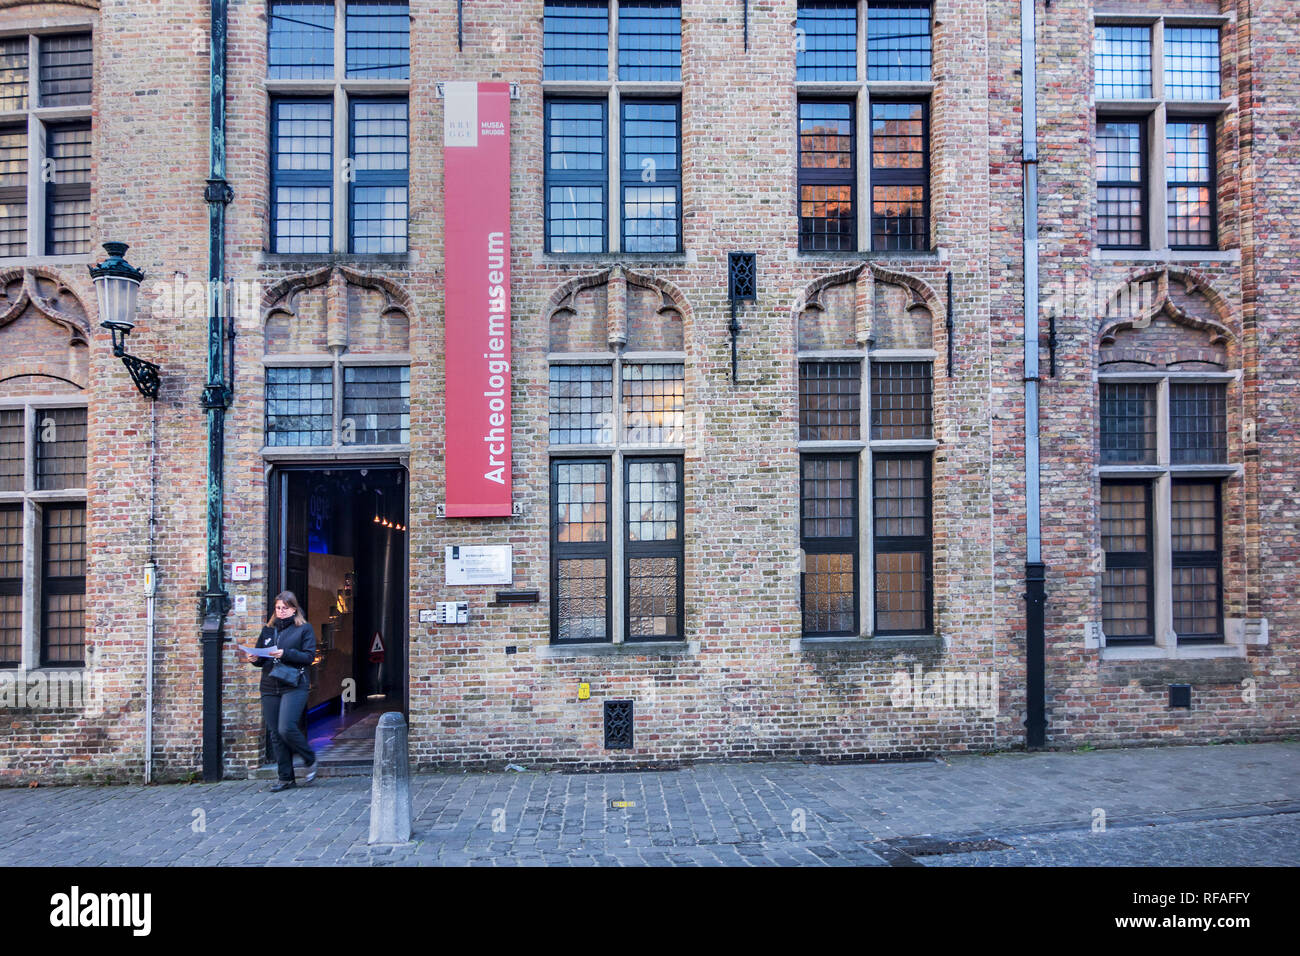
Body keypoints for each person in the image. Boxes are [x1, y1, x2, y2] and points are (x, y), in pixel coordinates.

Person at [240, 591, 317, 791]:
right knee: (275, 733)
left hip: (293, 684)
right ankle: (285, 777)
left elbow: (309, 657)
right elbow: (262, 658)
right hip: (269, 684)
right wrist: (255, 659)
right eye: (278, 608)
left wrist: (286, 653)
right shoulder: (268, 631)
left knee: (286, 727)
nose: (281, 612)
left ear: (294, 609)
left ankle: (309, 757)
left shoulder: (304, 629)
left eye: (285, 608)